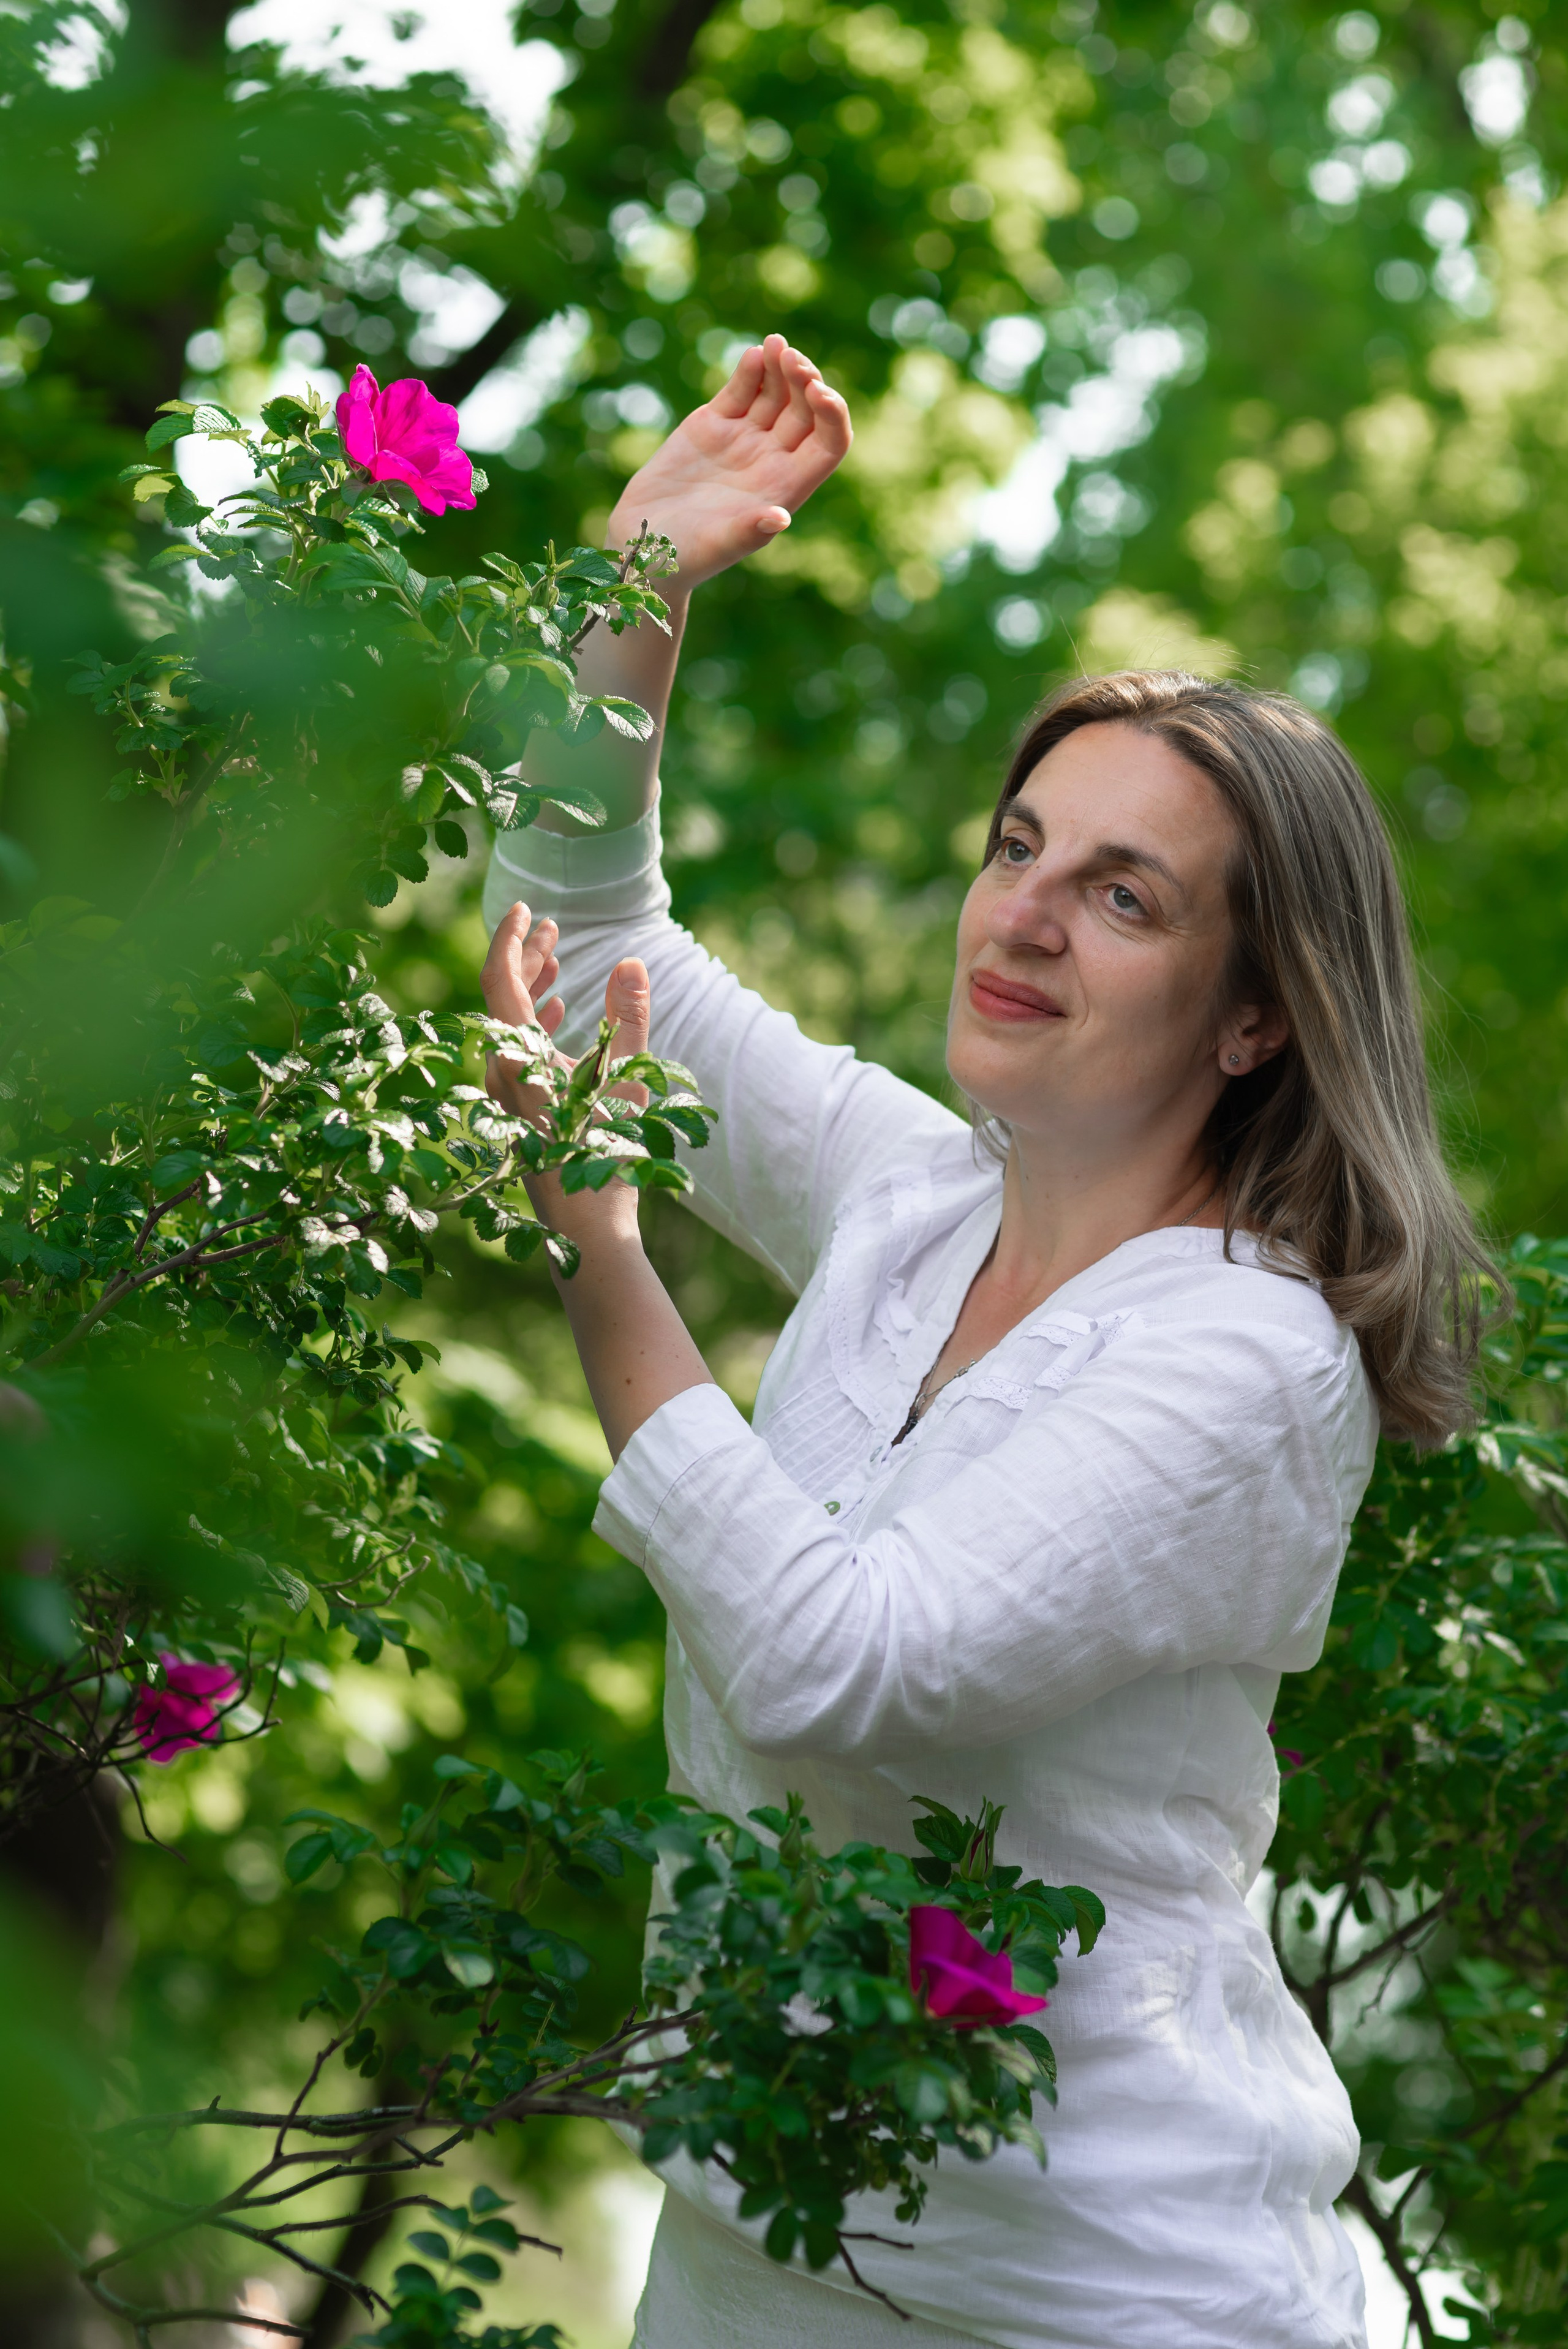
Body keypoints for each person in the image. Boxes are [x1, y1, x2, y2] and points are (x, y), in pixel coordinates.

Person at [478, 336, 1494, 2349]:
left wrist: (600, 1246)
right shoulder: (912, 1197)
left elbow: (834, 1656)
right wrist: (634, 595)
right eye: (1020, 846)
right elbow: (587, 954)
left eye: (1123, 895)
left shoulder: (1251, 1366)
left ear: (1254, 1015)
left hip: (1106, 2297)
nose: (1022, 918)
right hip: (755, 2217)